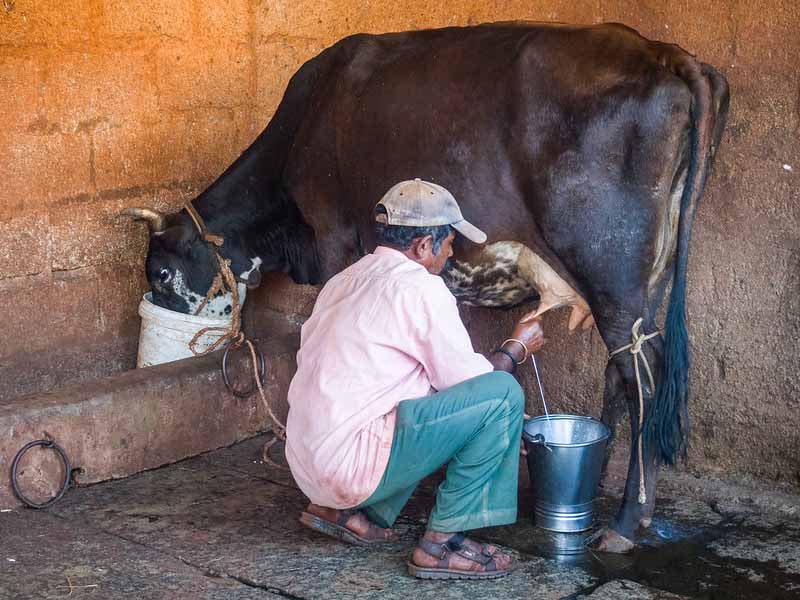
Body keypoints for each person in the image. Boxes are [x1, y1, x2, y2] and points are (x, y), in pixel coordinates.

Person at [285, 178, 545, 580]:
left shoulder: (343, 280)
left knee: (410, 391)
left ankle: (346, 513)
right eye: (449, 244)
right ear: (424, 246)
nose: (451, 253)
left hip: (307, 466)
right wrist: (516, 347)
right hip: (350, 467)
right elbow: (471, 382)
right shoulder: (420, 287)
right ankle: (442, 544)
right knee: (504, 396)